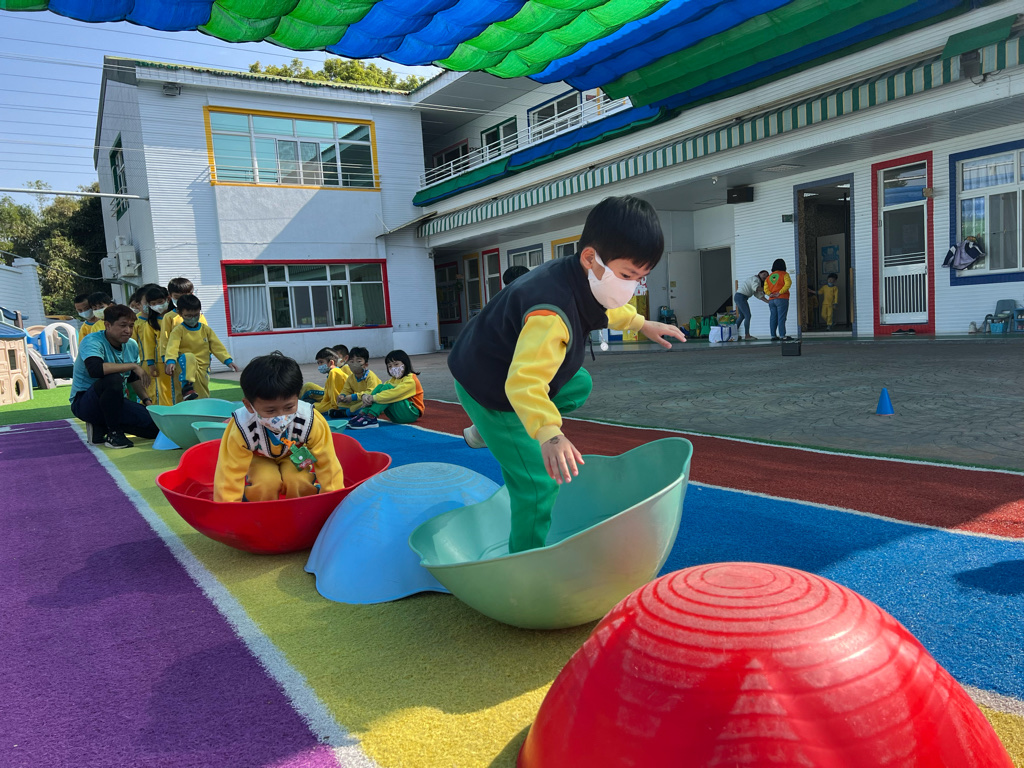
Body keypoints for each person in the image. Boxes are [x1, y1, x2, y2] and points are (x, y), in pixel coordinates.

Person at [448, 195, 687, 553]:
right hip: (490, 388)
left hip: (498, 364)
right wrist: (549, 435)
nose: (632, 286)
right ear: (591, 258)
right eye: (627, 275)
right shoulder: (550, 315)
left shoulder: (582, 276)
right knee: (539, 483)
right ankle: (525, 563)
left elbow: (604, 309)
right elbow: (523, 382)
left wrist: (642, 323)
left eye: (641, 278)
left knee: (578, 384)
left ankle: (486, 432)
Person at [213, 352, 344, 503]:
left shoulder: (310, 419)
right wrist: (228, 508)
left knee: (298, 481)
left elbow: (327, 462)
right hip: (259, 458)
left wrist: (334, 500)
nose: (281, 417)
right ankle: (263, 512)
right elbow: (229, 471)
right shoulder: (241, 426)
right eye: (270, 411)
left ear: (297, 397)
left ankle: (301, 509)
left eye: (289, 407)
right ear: (249, 405)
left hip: (293, 455)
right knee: (266, 482)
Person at [69, 304, 159, 449]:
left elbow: (132, 378)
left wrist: (147, 402)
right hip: (85, 402)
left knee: (156, 428)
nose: (128, 330)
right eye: (123, 325)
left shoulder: (131, 345)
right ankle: (114, 434)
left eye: (131, 326)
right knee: (113, 379)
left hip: (114, 403)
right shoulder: (92, 341)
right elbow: (96, 370)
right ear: (108, 325)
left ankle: (101, 425)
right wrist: (133, 366)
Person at [164, 294, 239, 399]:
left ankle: (203, 406)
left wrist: (227, 360)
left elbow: (217, 346)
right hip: (184, 368)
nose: (193, 318)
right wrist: (170, 361)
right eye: (188, 316)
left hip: (202, 367)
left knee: (202, 393)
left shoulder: (206, 330)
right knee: (189, 357)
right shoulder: (178, 331)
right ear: (180, 314)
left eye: (196, 315)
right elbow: (172, 347)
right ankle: (186, 386)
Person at [345, 349, 423, 429]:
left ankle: (371, 416)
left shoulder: (411, 380)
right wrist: (365, 396)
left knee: (387, 390)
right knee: (380, 387)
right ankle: (364, 413)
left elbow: (394, 394)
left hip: (410, 414)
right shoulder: (393, 380)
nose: (393, 368)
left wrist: (373, 398)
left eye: (396, 364)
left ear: (405, 363)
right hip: (397, 414)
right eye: (390, 366)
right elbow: (380, 390)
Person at [143, 285, 176, 404]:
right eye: (153, 303)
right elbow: (148, 344)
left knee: (179, 387)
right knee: (164, 390)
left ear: (168, 299)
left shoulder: (176, 317)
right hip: (161, 362)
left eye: (160, 302)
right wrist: (150, 363)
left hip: (178, 358)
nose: (157, 305)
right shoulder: (151, 322)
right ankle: (167, 412)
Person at [299, 347, 350, 418]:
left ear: (331, 362)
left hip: (339, 405)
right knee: (308, 404)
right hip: (331, 403)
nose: (319, 365)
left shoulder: (334, 373)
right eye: (318, 363)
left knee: (307, 408)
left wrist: (317, 406)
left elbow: (335, 403)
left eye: (321, 362)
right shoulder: (332, 372)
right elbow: (327, 398)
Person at [335, 346, 380, 418]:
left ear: (366, 364)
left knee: (366, 403)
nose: (354, 364)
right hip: (360, 399)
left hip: (371, 399)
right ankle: (351, 411)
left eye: (359, 361)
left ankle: (347, 412)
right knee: (341, 404)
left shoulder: (370, 376)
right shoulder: (351, 377)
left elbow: (371, 392)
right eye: (352, 361)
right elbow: (346, 390)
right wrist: (342, 396)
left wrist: (354, 397)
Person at [734, 270, 770, 340]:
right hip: (741, 297)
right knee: (748, 315)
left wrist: (768, 301)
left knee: (742, 316)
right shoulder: (755, 279)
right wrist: (767, 289)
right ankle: (747, 335)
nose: (765, 277)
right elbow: (756, 288)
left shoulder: (757, 281)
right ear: (759, 274)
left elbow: (758, 295)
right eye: (764, 274)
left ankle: (733, 334)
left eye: (767, 276)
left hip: (738, 297)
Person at [764, 258, 793, 341]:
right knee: (781, 317)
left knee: (773, 317)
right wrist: (780, 292)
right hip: (782, 298)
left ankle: (773, 336)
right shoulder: (784, 274)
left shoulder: (769, 277)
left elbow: (765, 289)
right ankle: (782, 335)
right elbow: (788, 284)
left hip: (771, 300)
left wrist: (770, 294)